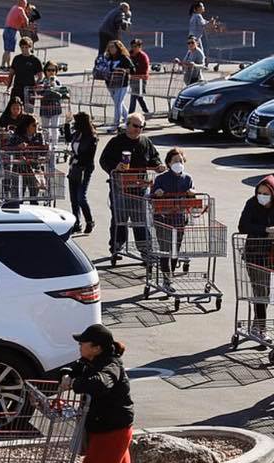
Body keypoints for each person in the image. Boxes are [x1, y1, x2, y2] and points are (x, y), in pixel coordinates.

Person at [47, 324, 153, 463]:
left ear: (96, 348)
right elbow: (72, 368)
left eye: (82, 343)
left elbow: (100, 383)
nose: (79, 345)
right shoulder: (91, 361)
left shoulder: (111, 366)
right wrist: (67, 374)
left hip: (112, 433)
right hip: (110, 429)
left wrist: (74, 383)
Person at [237, 175, 274, 339]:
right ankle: (260, 328)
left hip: (273, 254)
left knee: (268, 291)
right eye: (260, 192)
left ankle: (257, 324)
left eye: (266, 193)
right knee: (260, 290)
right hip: (254, 253)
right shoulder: (252, 203)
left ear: (273, 193)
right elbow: (243, 225)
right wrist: (265, 229)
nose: (262, 196)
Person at [99, 111, 166, 257]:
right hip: (120, 187)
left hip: (140, 188)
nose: (138, 129)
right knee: (120, 219)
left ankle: (145, 250)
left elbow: (154, 157)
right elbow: (104, 160)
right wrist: (115, 167)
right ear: (127, 125)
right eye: (135, 126)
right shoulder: (116, 142)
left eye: (141, 126)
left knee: (141, 220)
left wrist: (158, 165)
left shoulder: (145, 142)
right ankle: (116, 247)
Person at [150, 148, 196, 290]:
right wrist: (157, 193)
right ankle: (166, 279)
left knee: (175, 249)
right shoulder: (161, 178)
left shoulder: (187, 179)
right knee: (165, 250)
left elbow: (192, 196)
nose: (178, 163)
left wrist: (192, 193)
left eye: (181, 161)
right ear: (169, 163)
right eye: (175, 161)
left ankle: (171, 274)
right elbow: (151, 197)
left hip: (180, 219)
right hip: (162, 219)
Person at [64, 111, 99, 234]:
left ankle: (89, 221)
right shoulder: (78, 134)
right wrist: (66, 124)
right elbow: (68, 138)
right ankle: (76, 222)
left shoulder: (92, 138)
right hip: (74, 167)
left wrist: (77, 157)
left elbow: (88, 156)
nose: (74, 125)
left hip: (84, 169)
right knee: (73, 198)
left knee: (80, 197)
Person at [104, 39, 135, 133]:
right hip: (110, 84)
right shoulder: (108, 58)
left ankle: (115, 125)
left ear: (118, 47)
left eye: (113, 47)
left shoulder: (123, 57)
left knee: (117, 104)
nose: (111, 49)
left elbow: (132, 69)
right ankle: (128, 121)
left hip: (122, 84)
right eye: (109, 47)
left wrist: (124, 70)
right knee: (119, 104)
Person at [8, 36, 44, 109]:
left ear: (30, 47)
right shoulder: (17, 59)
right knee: (15, 110)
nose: (24, 49)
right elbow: (11, 74)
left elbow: (40, 76)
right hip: (17, 89)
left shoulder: (35, 60)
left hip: (29, 89)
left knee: (28, 112)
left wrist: (36, 84)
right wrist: (8, 88)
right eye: (22, 47)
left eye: (26, 47)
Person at [38, 60, 64, 148]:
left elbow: (62, 90)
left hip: (55, 107)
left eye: (53, 70)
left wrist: (55, 87)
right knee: (45, 128)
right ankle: (46, 144)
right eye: (49, 70)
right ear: (45, 71)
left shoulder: (57, 81)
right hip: (45, 107)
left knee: (54, 128)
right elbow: (38, 91)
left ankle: (54, 145)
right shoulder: (43, 81)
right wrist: (42, 87)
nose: (51, 72)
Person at [1, 0, 29, 70]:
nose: (25, 6)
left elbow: (17, 19)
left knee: (8, 49)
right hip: (11, 30)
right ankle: (2, 66)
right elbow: (26, 19)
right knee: (8, 50)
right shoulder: (20, 9)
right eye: (25, 4)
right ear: (21, 3)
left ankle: (8, 65)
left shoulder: (14, 7)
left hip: (6, 30)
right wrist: (26, 26)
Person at [129, 39, 151, 114]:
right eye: (132, 46)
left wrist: (137, 75)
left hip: (141, 79)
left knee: (134, 96)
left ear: (140, 47)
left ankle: (130, 114)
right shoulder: (129, 55)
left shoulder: (143, 57)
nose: (133, 48)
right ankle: (146, 111)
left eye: (135, 46)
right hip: (133, 79)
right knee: (139, 97)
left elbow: (145, 71)